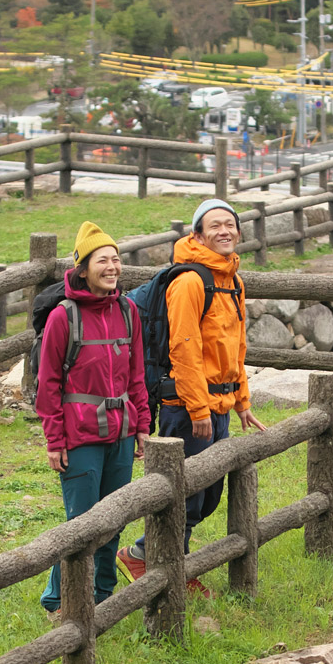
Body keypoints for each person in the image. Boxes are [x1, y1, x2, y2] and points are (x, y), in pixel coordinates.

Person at [119, 197, 263, 590]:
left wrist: (242, 401)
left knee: (207, 493)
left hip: (218, 403)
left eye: (230, 224)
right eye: (214, 226)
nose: (224, 231)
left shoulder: (232, 281)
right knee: (185, 493)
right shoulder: (189, 281)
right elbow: (183, 347)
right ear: (197, 234)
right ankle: (157, 562)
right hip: (187, 406)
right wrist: (198, 409)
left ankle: (154, 557)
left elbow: (235, 346)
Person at [37, 221, 149, 616]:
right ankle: (58, 600)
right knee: (81, 523)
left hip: (120, 431)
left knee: (113, 518)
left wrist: (142, 427)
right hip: (79, 435)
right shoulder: (62, 318)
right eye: (102, 260)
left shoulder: (128, 310)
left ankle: (102, 595)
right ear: (82, 268)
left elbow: (137, 374)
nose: (112, 267)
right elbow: (48, 382)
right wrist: (54, 440)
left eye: (116, 259)